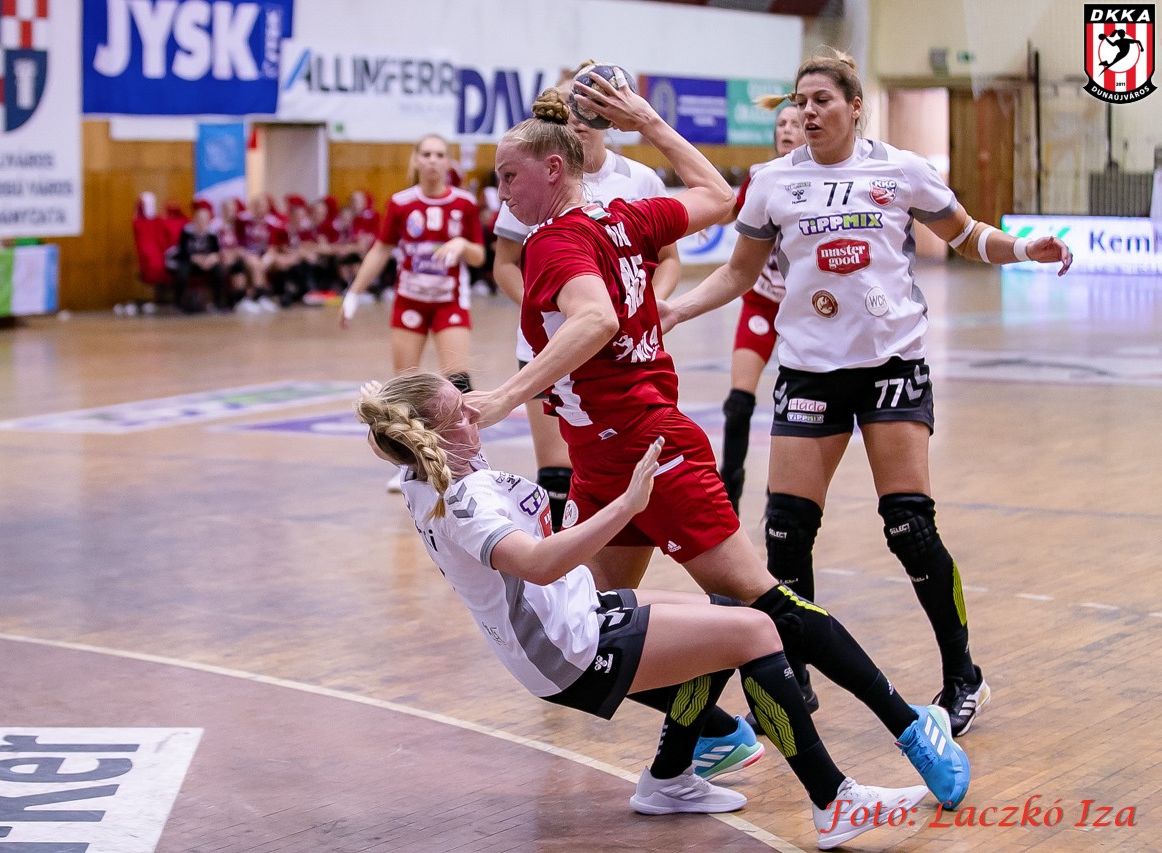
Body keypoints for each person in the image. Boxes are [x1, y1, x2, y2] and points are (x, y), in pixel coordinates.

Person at [466, 78, 971, 813]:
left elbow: (595, 318)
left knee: (761, 605)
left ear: (552, 169)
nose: (501, 191)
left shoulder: (556, 240)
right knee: (591, 635)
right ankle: (682, 761)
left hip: (649, 447)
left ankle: (909, 725)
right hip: (602, 458)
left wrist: (504, 397)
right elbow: (716, 194)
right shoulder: (625, 216)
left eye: (508, 175)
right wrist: (650, 121)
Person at [663, 49, 1073, 737]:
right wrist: (676, 310)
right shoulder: (772, 182)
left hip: (891, 365)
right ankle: (794, 679)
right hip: (810, 371)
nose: (808, 111)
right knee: (786, 532)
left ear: (856, 107)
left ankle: (964, 675)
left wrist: (1025, 249)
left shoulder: (901, 170)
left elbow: (967, 236)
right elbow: (738, 273)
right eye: (801, 101)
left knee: (909, 526)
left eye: (822, 100)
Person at [357, 372, 933, 849]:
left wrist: (416, 407)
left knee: (719, 620)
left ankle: (669, 780)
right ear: (430, 436)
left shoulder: (424, 474)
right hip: (567, 646)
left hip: (568, 619)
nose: (475, 411)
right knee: (756, 631)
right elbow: (537, 564)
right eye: (460, 412)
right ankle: (834, 801)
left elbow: (398, 439)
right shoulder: (465, 501)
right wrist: (627, 505)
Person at [493, 70, 681, 530]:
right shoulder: (529, 179)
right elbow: (505, 264)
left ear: (608, 115)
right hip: (552, 346)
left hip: (619, 351)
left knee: (621, 471)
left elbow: (669, 260)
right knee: (559, 477)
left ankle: (602, 564)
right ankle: (563, 568)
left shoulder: (638, 179)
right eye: (566, 108)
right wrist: (549, 308)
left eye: (586, 107)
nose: (575, 117)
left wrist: (645, 308)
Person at [339, 134, 485, 491]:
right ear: (416, 160)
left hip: (449, 300)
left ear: (447, 161)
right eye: (427, 154)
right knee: (405, 386)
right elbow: (380, 250)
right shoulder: (402, 203)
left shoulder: (464, 203)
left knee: (458, 382)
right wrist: (353, 295)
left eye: (439, 154)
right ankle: (408, 461)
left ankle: (467, 458)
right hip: (410, 301)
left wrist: (462, 244)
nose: (433, 160)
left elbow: (480, 256)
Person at [720, 101, 805, 518]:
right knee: (738, 403)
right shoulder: (760, 176)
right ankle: (728, 500)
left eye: (794, 123)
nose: (786, 129)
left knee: (795, 408)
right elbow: (730, 213)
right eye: (781, 123)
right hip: (761, 301)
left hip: (804, 311)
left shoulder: (822, 181)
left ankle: (780, 501)